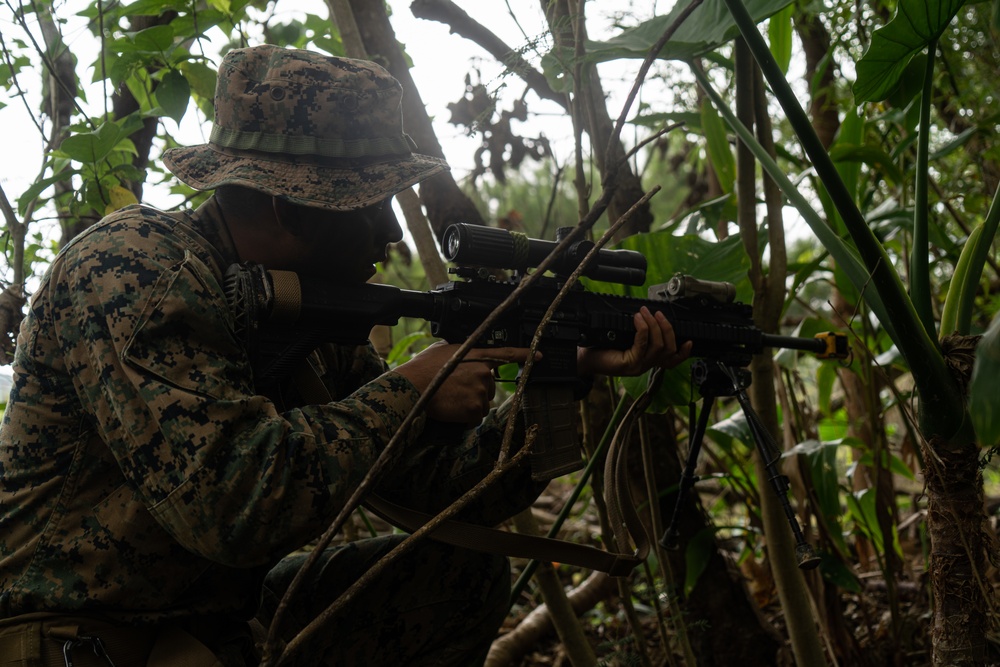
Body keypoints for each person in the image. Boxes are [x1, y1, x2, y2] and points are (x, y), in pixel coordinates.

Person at [0, 45, 689, 666]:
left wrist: (565, 379)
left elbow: (438, 487)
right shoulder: (134, 267)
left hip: (207, 629)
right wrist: (412, 394)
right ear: (285, 206)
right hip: (76, 634)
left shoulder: (311, 317)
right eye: (367, 204)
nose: (388, 234)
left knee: (455, 575)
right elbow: (231, 507)